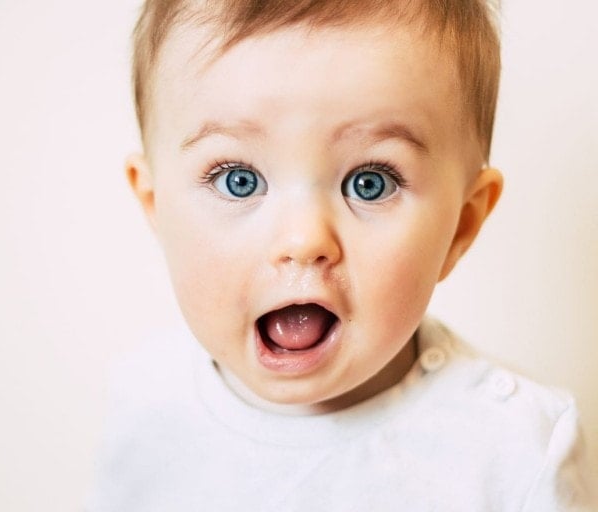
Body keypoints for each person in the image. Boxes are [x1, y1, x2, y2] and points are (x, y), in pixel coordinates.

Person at [88, 0, 594, 509]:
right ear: (156, 206)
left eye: (370, 183)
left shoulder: (514, 451)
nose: (303, 240)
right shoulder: (146, 403)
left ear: (460, 226)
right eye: (239, 180)